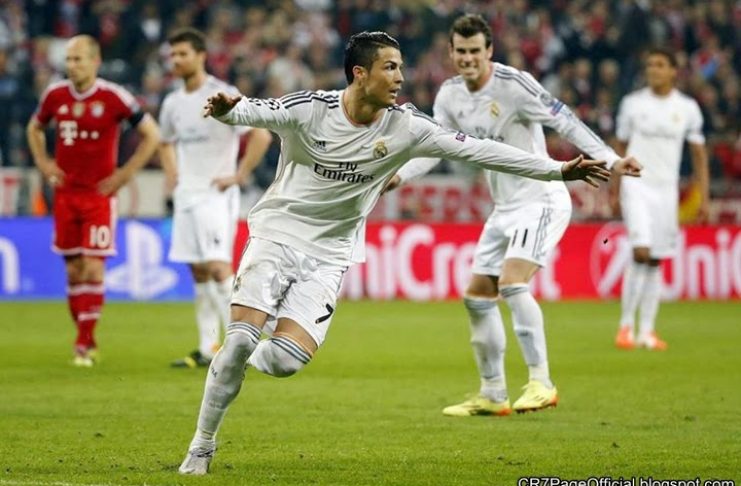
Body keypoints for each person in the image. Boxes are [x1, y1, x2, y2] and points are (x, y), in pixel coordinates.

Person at [178, 31, 611, 475]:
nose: (401, 77)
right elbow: (252, 110)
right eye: (390, 67)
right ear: (359, 73)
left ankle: (236, 360)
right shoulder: (312, 109)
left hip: (331, 254)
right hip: (277, 234)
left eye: (401, 67)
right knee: (240, 338)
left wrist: (557, 170)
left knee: (286, 361)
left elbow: (482, 151)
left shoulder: (406, 126)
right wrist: (228, 111)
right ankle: (202, 446)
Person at [385, 14, 641, 417]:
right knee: (477, 296)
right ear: (451, 52)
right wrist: (399, 176)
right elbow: (436, 149)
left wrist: (610, 159)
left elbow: (564, 120)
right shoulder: (450, 96)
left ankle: (542, 383)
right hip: (504, 206)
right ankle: (493, 393)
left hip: (541, 198)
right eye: (461, 51)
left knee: (512, 283)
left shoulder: (514, 84)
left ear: (489, 51)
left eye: (475, 51)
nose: (468, 58)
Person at [26, 36, 160, 367]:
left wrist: (125, 174)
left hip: (99, 196)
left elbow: (152, 135)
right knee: (73, 271)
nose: (72, 66)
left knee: (93, 265)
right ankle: (85, 335)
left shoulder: (114, 97)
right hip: (65, 195)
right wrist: (44, 163)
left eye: (78, 59)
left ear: (95, 61)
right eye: (68, 60)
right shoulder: (55, 95)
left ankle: (84, 343)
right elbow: (34, 128)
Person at [159, 28, 272, 369]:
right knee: (198, 271)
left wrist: (239, 174)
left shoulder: (222, 93)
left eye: (183, 54)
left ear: (201, 56)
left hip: (215, 194)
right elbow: (165, 142)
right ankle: (208, 347)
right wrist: (172, 174)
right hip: (187, 196)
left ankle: (240, 347)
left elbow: (261, 134)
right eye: (173, 55)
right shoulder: (172, 103)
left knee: (218, 267)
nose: (176, 60)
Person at [612, 47, 709, 351]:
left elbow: (699, 154)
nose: (653, 69)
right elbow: (619, 147)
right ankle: (625, 327)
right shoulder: (632, 104)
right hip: (636, 184)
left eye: (660, 65)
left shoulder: (688, 108)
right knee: (641, 251)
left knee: (655, 258)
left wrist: (704, 196)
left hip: (666, 190)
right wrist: (614, 188)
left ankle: (647, 331)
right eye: (650, 64)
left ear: (673, 71)